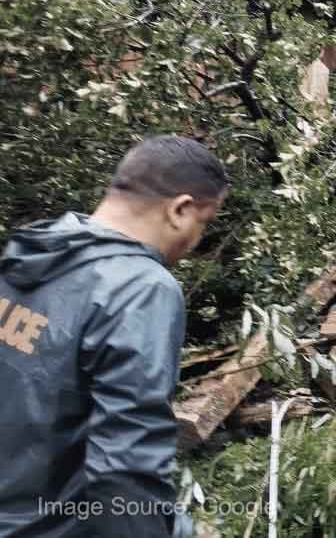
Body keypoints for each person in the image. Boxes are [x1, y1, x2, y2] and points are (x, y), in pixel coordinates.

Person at [0, 136, 228, 538]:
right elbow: (126, 466)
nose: (195, 244)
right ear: (180, 209)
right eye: (203, 224)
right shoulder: (139, 288)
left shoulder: (32, 252)